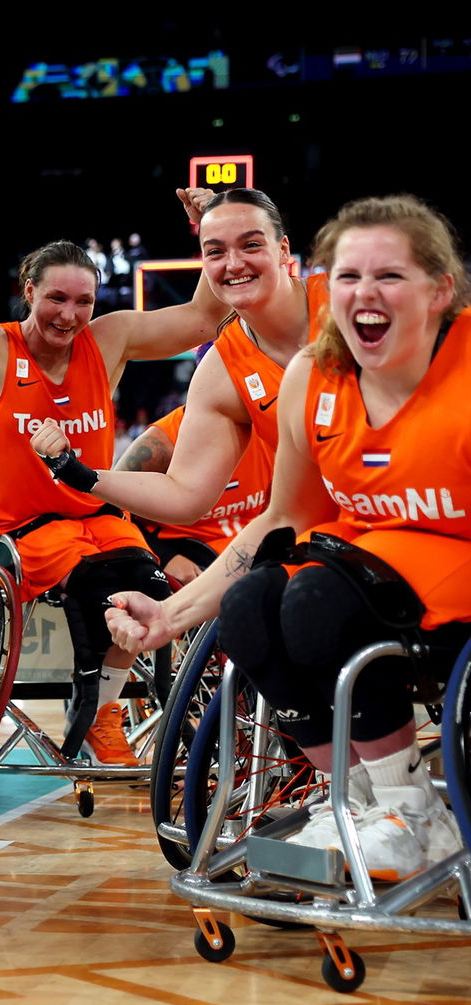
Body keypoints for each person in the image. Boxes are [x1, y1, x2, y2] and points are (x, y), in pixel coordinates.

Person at [108, 194, 470, 879]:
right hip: (369, 571)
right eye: (349, 277)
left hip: (447, 576)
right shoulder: (311, 374)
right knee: (250, 609)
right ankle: (365, 800)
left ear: (439, 289)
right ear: (325, 287)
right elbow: (281, 520)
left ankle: (408, 806)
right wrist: (172, 615)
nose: (365, 293)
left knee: (316, 603)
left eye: (388, 275)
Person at [0, 179, 227, 765]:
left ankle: (106, 711)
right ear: (28, 290)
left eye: (83, 301)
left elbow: (204, 316)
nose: (71, 314)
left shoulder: (109, 338)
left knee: (155, 588)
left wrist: (208, 229)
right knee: (99, 588)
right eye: (57, 298)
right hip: (21, 526)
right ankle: (91, 715)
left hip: (99, 516)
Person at [28, 189, 327, 537]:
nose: (233, 263)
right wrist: (75, 471)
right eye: (215, 251)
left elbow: (201, 315)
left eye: (250, 245)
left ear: (283, 250)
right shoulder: (221, 372)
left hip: (391, 504)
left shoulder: (345, 304)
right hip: (331, 532)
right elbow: (185, 495)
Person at [112, 403, 273, 585]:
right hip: (185, 559)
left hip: (249, 555)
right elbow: (110, 511)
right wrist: (165, 557)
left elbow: (279, 513)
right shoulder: (159, 445)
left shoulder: (272, 431)